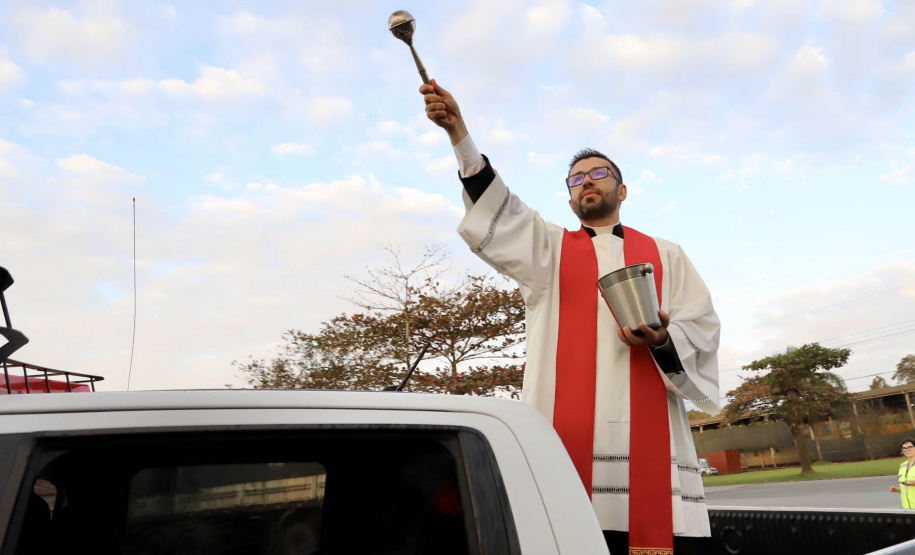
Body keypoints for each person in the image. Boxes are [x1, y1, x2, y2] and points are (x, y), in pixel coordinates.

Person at [420, 80, 721, 555]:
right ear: (569, 200)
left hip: (651, 445)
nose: (587, 182)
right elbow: (501, 209)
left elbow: (702, 326)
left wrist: (664, 339)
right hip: (569, 441)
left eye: (598, 173)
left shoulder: (667, 254)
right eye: (576, 178)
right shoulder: (550, 251)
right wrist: (459, 134)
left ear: (622, 189)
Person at [890, 438, 915, 508]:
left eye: (910, 447)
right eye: (904, 448)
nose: (907, 450)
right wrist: (898, 490)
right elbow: (907, 487)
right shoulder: (903, 466)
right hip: (908, 509)